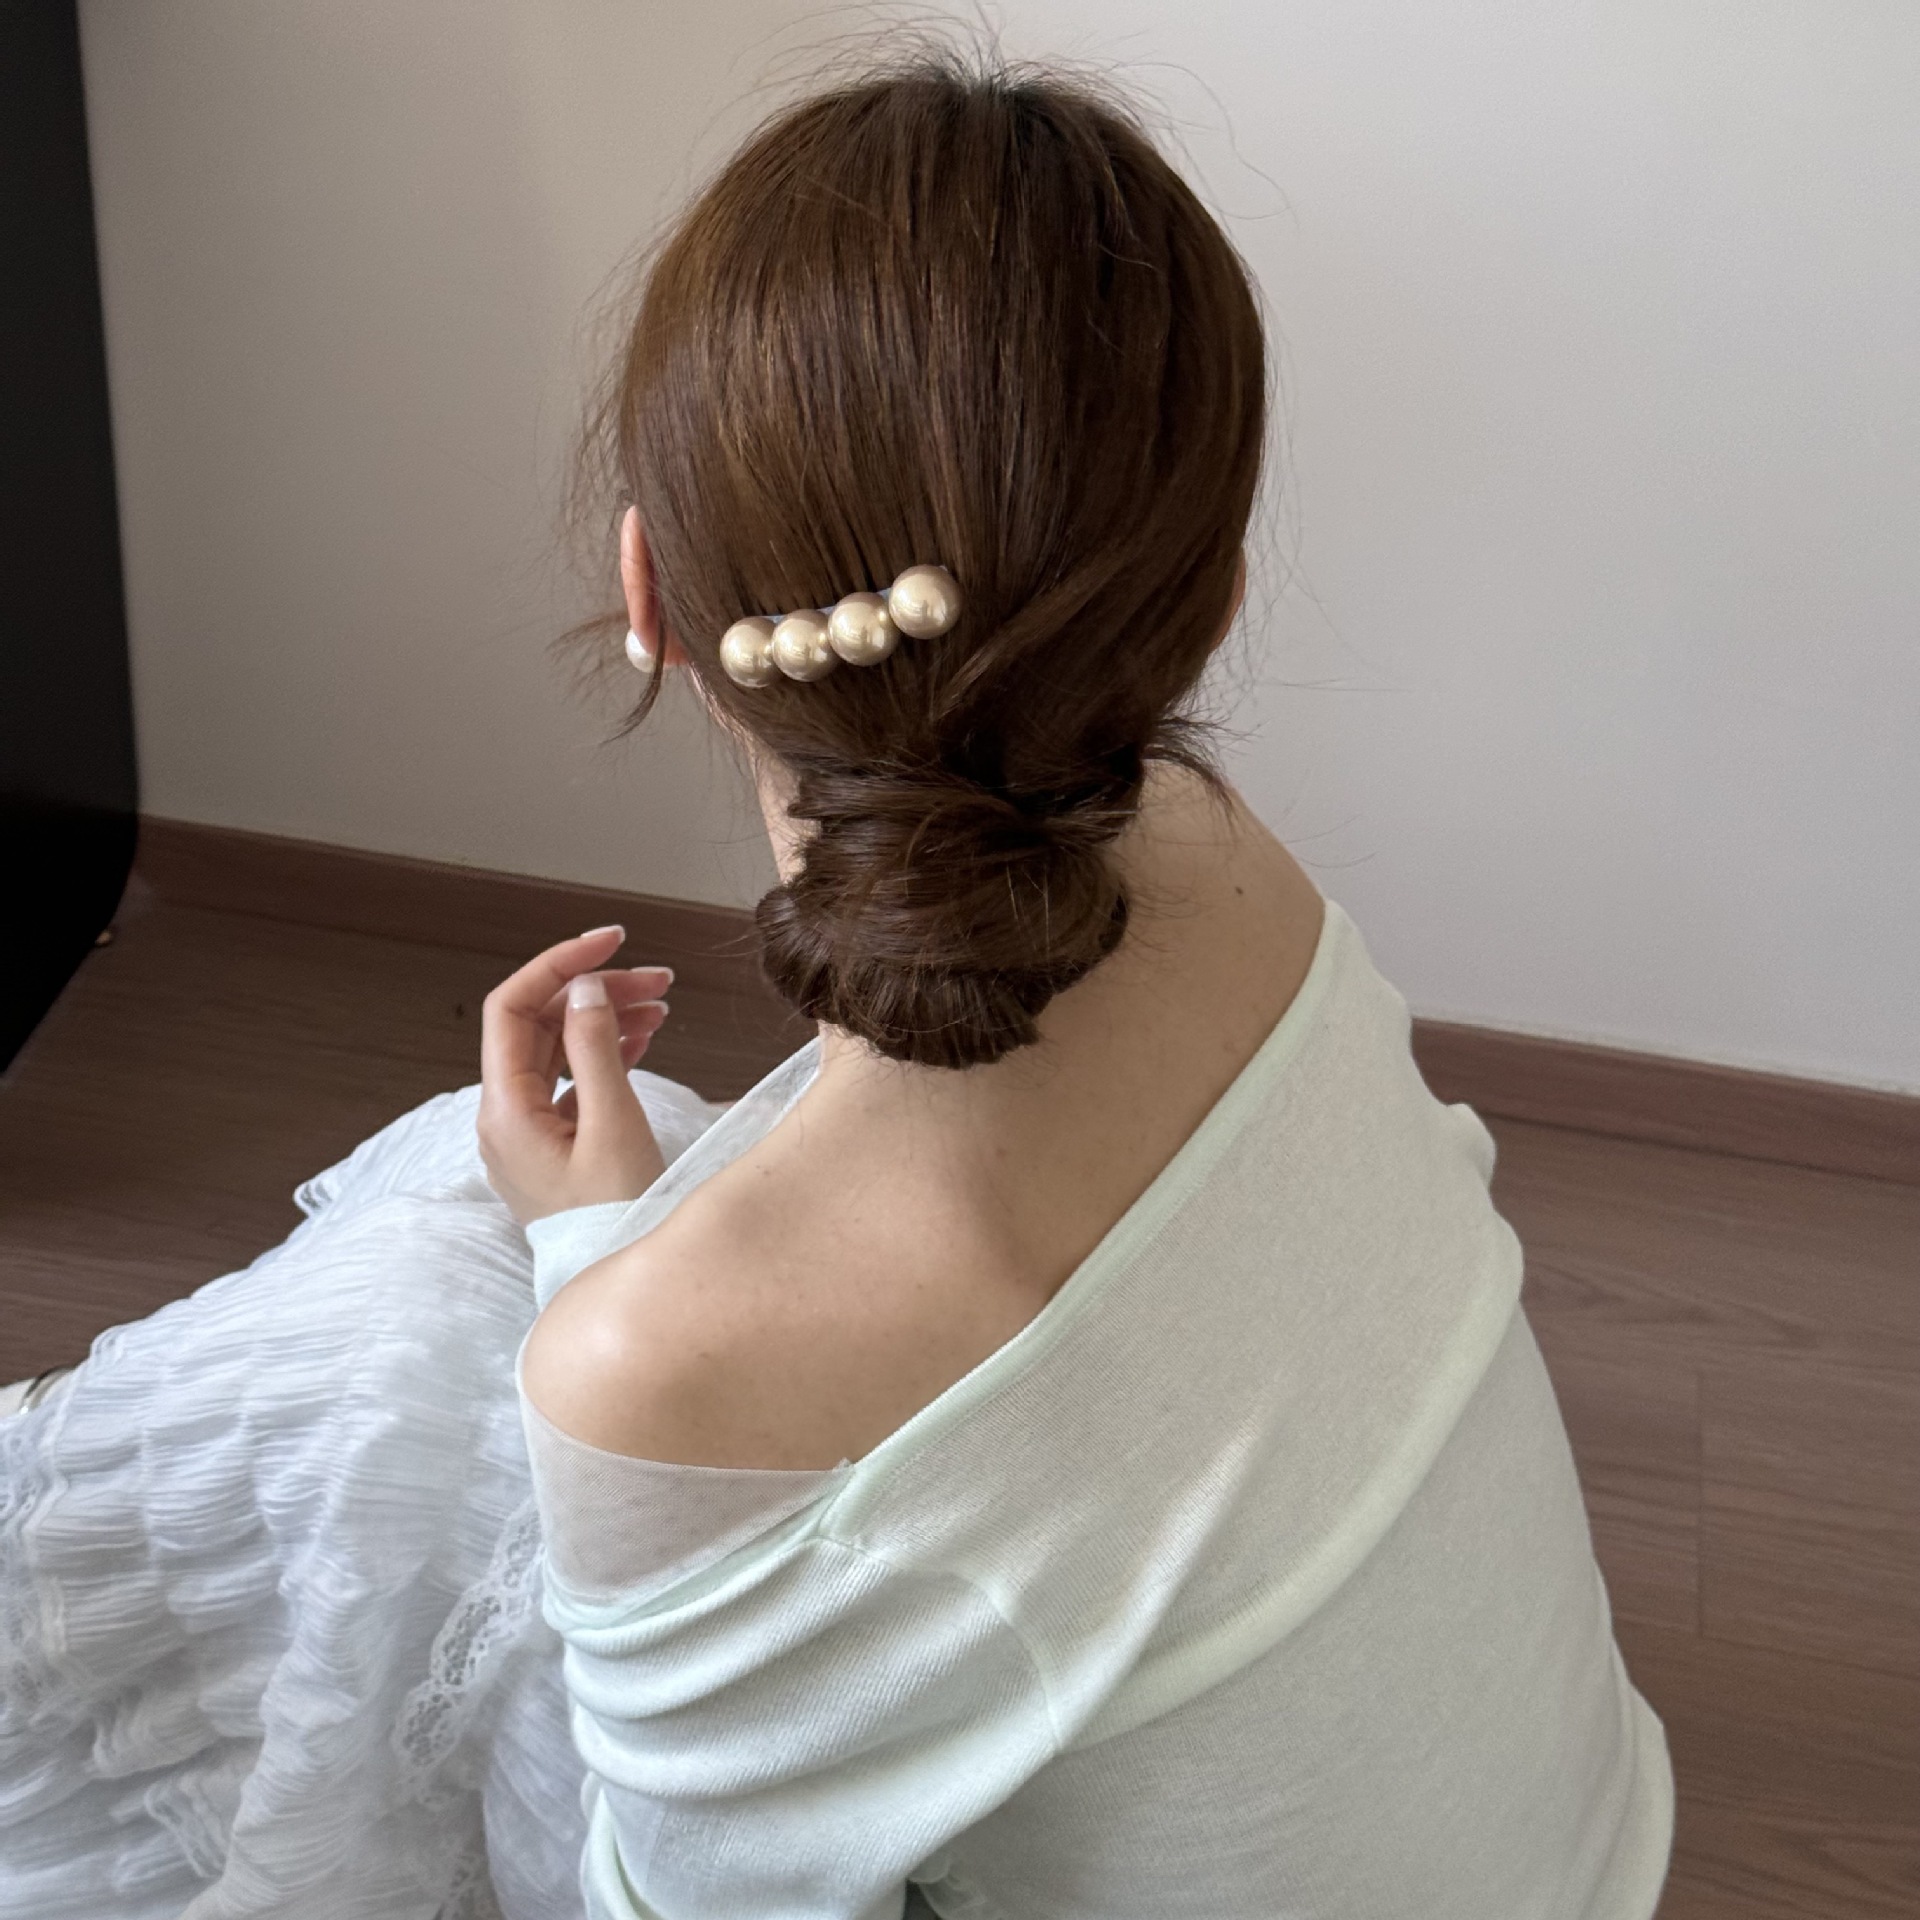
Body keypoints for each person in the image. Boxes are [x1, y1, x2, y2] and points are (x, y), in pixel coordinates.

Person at [0, 52, 1674, 1920]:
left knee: (426, 1283)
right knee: (512, 1251)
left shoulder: (666, 1353)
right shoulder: (1219, 861)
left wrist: (601, 1271)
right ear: (1204, 601)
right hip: (1591, 1851)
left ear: (646, 590)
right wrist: (615, 1262)